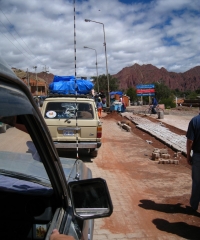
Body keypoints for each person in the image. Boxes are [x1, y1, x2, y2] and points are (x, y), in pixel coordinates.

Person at [186, 110, 200, 211]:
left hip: (198, 156)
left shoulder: (195, 121)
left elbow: (190, 141)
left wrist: (188, 155)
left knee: (197, 182)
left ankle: (194, 206)